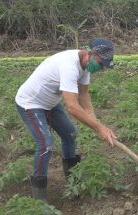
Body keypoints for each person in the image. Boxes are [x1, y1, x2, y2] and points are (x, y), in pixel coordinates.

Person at [15, 38, 117, 201]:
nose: (101, 68)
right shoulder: (69, 66)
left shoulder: (85, 66)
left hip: (50, 103)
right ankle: (39, 200)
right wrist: (99, 128)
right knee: (46, 146)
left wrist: (96, 122)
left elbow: (83, 94)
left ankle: (72, 183)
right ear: (90, 53)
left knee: (70, 134)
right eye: (101, 63)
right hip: (30, 103)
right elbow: (72, 107)